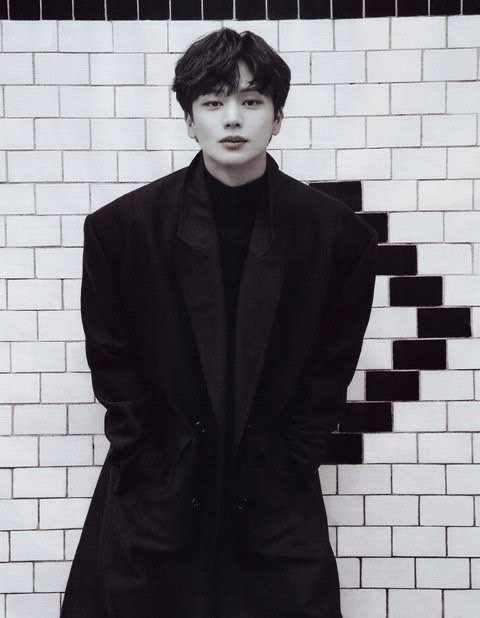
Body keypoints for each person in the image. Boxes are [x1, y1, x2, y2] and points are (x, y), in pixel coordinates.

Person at [60, 27, 377, 618]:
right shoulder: (120, 230)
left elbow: (329, 372)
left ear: (277, 117)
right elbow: (112, 362)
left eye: (251, 101)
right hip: (159, 492)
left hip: (273, 494)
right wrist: (146, 456)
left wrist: (291, 460)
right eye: (213, 101)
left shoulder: (338, 237)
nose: (233, 118)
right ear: (189, 120)